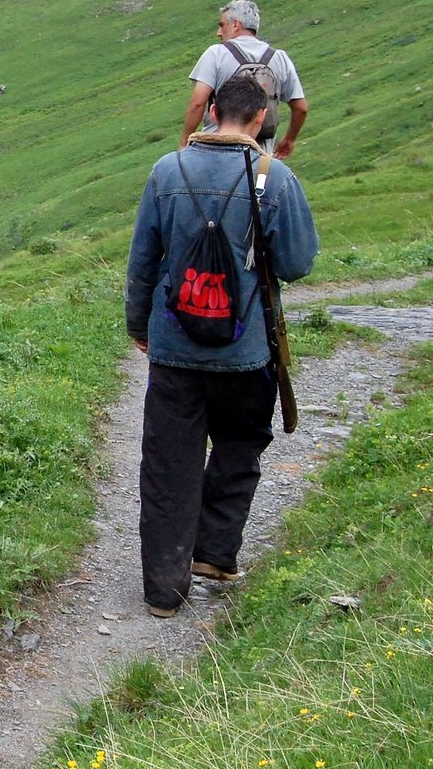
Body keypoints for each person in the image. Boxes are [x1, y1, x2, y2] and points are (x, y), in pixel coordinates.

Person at [128, 75, 319, 617]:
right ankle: (214, 551)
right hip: (246, 350)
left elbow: (143, 261)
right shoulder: (275, 179)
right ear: (259, 119)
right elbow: (297, 264)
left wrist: (139, 326)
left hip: (174, 347)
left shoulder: (167, 171)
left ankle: (164, 590)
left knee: (169, 461)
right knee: (240, 441)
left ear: (212, 110)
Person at [179, 0, 308, 159]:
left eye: (222, 25)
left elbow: (198, 103)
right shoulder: (279, 58)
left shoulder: (216, 54)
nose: (218, 33)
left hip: (216, 155)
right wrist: (289, 140)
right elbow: (301, 108)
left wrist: (185, 144)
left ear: (236, 25)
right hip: (261, 159)